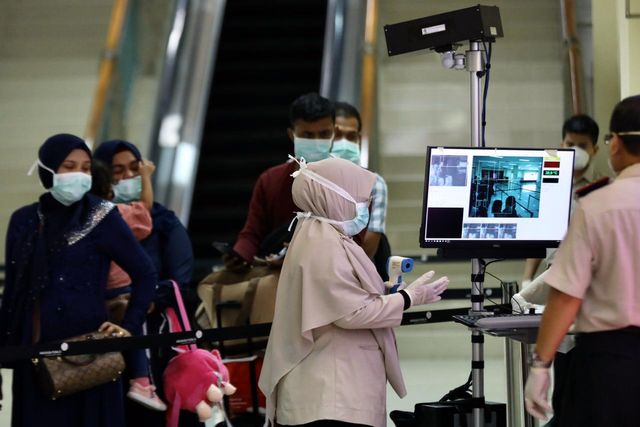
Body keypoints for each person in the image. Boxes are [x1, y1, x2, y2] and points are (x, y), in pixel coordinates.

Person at [259, 157, 449, 427]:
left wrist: (386, 292)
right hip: (332, 396)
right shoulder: (324, 244)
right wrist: (408, 298)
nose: (366, 207)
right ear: (336, 196)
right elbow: (351, 313)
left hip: (331, 390)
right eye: (361, 199)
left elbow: (336, 294)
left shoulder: (321, 235)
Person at [0, 133, 156, 426]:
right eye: (69, 166)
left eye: (85, 168)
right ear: (47, 171)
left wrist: (128, 329)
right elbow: (14, 294)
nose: (79, 175)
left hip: (91, 358)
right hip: (34, 359)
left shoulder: (101, 215)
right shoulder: (23, 220)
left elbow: (145, 274)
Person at [524, 95, 640, 426]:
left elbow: (565, 295)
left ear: (614, 144)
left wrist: (541, 364)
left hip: (610, 363)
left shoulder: (597, 205)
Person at [93, 139, 195, 426]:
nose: (127, 177)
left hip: (158, 340)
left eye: (134, 169)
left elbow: (180, 279)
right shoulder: (91, 222)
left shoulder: (163, 222)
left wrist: (146, 300)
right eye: (117, 170)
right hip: (104, 338)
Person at [223, 92, 335, 271]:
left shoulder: (352, 182)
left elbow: (356, 242)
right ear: (292, 134)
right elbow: (252, 234)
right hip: (277, 273)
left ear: (334, 132)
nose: (316, 142)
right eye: (307, 135)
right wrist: (239, 255)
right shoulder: (270, 181)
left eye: (324, 134)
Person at [90, 159, 167, 411]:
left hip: (95, 294)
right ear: (110, 191)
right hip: (123, 289)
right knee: (134, 332)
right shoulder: (116, 214)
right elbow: (145, 211)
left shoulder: (75, 219)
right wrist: (145, 175)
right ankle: (142, 381)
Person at [521, 114, 601, 285]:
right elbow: (539, 234)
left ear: (595, 149)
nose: (575, 150)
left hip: (591, 277)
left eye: (582, 146)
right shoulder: (549, 185)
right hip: (553, 272)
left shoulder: (603, 188)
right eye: (570, 144)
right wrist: (527, 279)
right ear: (562, 145)